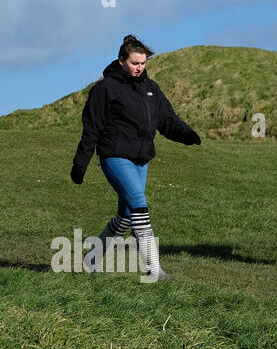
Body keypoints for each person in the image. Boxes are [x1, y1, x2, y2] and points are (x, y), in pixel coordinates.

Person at [70, 34, 201, 281]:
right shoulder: (105, 89)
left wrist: (187, 134)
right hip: (115, 156)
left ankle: (93, 258)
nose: (140, 68)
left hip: (141, 159)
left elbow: (166, 120)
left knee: (127, 216)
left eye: (143, 63)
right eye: (135, 63)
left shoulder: (151, 89)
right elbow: (92, 128)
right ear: (121, 60)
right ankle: (154, 270)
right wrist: (80, 164)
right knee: (140, 207)